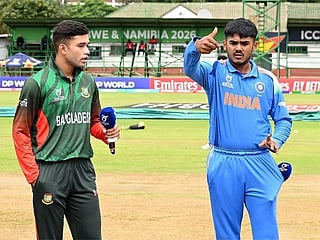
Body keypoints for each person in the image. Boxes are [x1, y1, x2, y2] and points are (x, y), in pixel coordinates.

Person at [184, 18, 292, 239]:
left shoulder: (268, 80)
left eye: (244, 43)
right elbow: (189, 67)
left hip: (259, 161)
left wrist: (277, 140)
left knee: (266, 232)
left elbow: (283, 120)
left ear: (254, 45)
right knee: (226, 233)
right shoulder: (215, 72)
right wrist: (194, 48)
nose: (239, 48)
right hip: (224, 162)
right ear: (225, 45)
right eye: (233, 43)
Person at [12, 20, 120, 240]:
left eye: (87, 45)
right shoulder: (37, 84)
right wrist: (35, 177)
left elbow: (93, 122)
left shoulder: (88, 82)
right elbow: (20, 131)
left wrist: (106, 133)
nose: (87, 51)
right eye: (81, 46)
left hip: (83, 172)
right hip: (49, 172)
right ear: (63, 48)